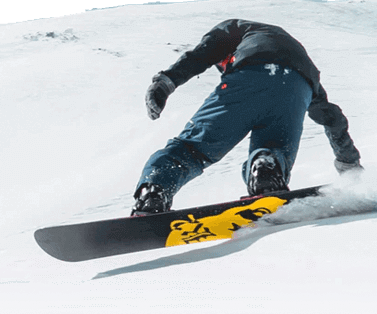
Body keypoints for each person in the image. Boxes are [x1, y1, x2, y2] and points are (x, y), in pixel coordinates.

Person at [133, 19, 363, 215]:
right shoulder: (305, 70)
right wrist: (348, 164)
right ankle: (266, 170)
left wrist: (165, 83)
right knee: (274, 147)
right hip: (298, 87)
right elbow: (332, 118)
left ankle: (154, 190)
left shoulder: (236, 29)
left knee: (193, 148)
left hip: (249, 75)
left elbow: (200, 55)